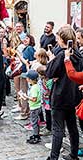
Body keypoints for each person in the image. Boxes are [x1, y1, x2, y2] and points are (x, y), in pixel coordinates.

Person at [46, 25, 82, 160]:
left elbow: (49, 73)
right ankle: (73, 154)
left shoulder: (62, 54)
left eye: (58, 37)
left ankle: (53, 157)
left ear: (62, 39)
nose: (56, 39)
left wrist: (51, 59)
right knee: (72, 127)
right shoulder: (77, 54)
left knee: (58, 128)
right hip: (73, 95)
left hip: (60, 95)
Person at [23, 70, 42, 144]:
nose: (26, 79)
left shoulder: (34, 88)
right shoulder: (35, 86)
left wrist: (26, 97)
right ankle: (36, 134)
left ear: (30, 80)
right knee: (35, 122)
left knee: (34, 123)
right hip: (36, 107)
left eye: (27, 78)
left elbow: (34, 99)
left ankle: (36, 136)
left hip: (35, 108)